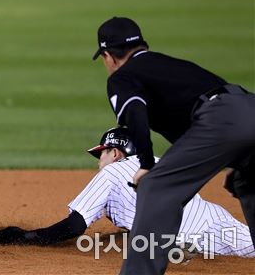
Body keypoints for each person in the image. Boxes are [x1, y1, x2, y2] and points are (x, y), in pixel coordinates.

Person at [91, 17, 255, 274]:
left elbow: (134, 112)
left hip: (221, 118)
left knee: (156, 187)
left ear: (109, 56)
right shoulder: (171, 64)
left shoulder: (123, 77)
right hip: (247, 104)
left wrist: (146, 164)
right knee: (247, 182)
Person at [0, 127, 254, 259]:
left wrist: (24, 237)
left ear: (115, 153)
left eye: (100, 153)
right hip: (217, 221)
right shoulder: (158, 160)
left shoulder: (111, 173)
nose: (98, 161)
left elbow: (73, 226)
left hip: (187, 248)